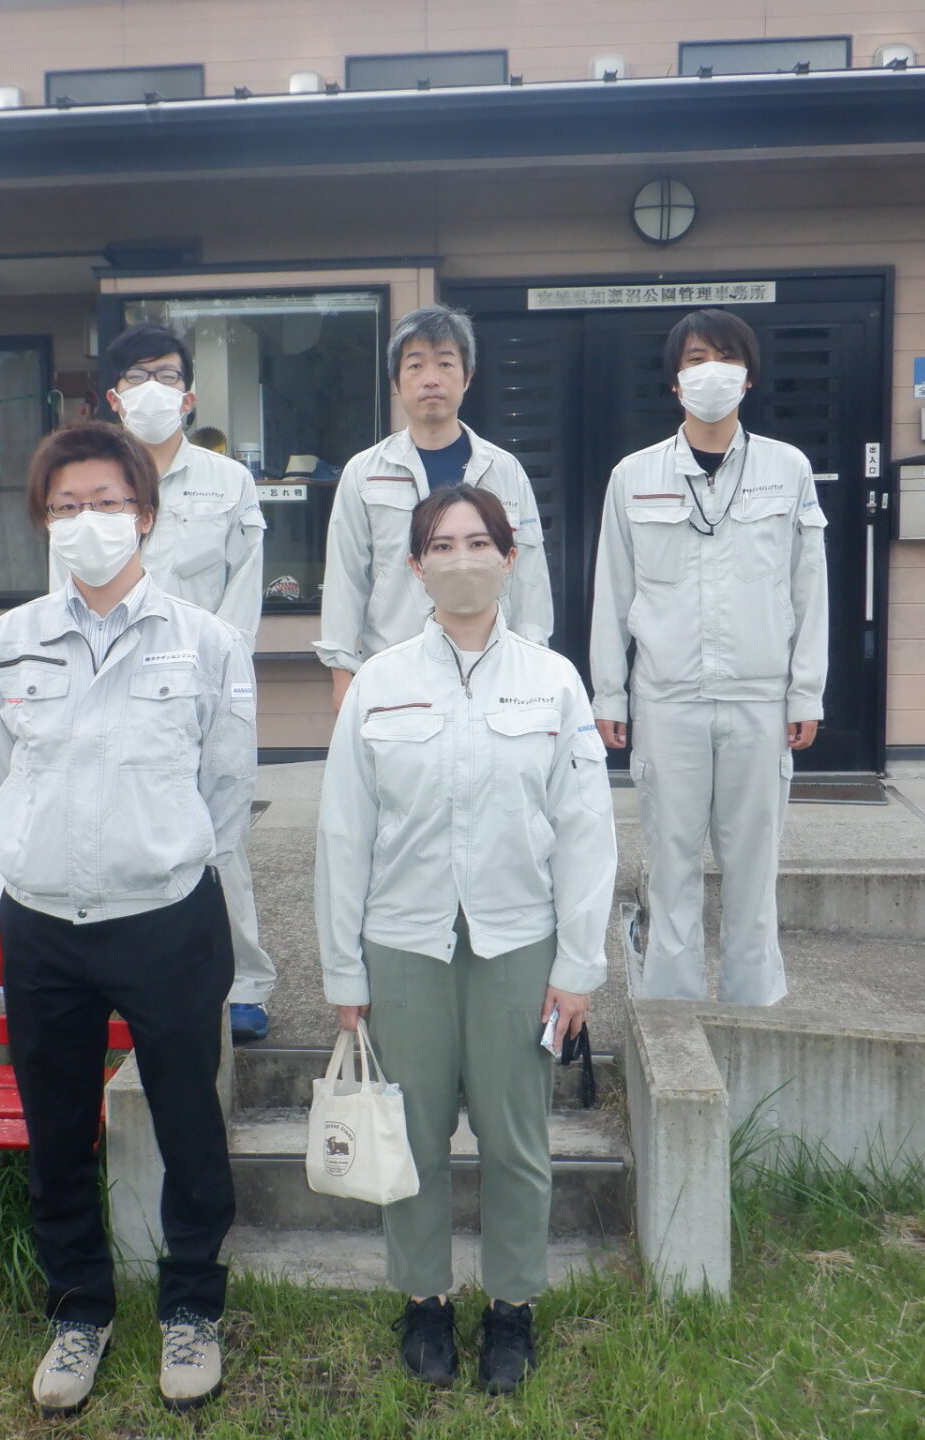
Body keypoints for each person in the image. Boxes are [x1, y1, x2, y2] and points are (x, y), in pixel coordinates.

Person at [317, 485, 615, 1394]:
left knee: (516, 1140)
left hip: (517, 946)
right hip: (403, 946)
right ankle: (425, 1301)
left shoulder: (553, 681)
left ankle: (512, 1308)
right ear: (416, 568)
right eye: (440, 546)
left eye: (478, 542)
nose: (461, 559)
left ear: (509, 558)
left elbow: (586, 829)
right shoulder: (379, 683)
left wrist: (578, 965)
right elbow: (343, 833)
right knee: (410, 1135)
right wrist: (343, 970)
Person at [0, 422, 255, 1417]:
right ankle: (78, 1312)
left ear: (144, 513)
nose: (86, 521)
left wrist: (163, 853)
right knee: (57, 1129)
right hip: (43, 921)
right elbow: (8, 779)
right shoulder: (10, 639)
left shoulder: (206, 641)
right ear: (44, 521)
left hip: (166, 917)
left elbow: (226, 788)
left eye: (105, 502)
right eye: (66, 506)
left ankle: (191, 1308)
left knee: (189, 1123)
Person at [589, 308, 829, 1005]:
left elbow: (808, 588)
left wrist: (806, 691)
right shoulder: (633, 476)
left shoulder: (787, 469)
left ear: (748, 377)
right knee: (670, 865)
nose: (711, 371)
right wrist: (610, 694)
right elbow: (613, 590)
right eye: (696, 359)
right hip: (666, 699)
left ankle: (755, 1008)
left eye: (725, 357)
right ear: (675, 381)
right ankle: (672, 1013)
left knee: (754, 869)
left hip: (760, 697)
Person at [50, 322, 278, 1045]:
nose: (154, 389)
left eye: (169, 376)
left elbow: (244, 585)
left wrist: (224, 678)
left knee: (219, 833)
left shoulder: (228, 482)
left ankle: (243, 984)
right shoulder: (90, 484)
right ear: (114, 398)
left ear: (189, 396)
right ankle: (138, 981)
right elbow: (65, 586)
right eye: (138, 376)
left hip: (204, 685)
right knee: (125, 828)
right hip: (114, 682)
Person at [314, 303, 553, 712]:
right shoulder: (364, 473)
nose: (431, 379)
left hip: (492, 667)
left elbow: (529, 574)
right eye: (415, 365)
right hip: (394, 667)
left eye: (445, 363)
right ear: (396, 381)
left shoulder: (504, 470)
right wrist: (342, 673)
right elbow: (345, 577)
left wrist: (534, 661)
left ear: (468, 377)